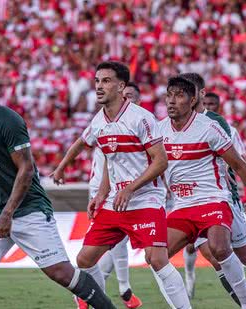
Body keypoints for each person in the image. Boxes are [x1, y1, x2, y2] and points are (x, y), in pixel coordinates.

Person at [0, 64, 115, 309]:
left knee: (61, 273)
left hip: (29, 209)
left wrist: (8, 213)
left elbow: (26, 169)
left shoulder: (7, 119)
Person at [68, 62, 191, 309]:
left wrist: (130, 188)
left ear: (121, 86)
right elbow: (109, 163)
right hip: (115, 202)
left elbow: (161, 162)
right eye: (97, 81)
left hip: (145, 199)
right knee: (84, 259)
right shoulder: (99, 121)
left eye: (106, 81)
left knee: (156, 259)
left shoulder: (141, 118)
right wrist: (102, 194)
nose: (99, 86)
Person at [159, 76, 246, 309]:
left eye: (179, 95)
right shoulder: (160, 128)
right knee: (210, 256)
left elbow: (238, 165)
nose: (172, 101)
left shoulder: (216, 125)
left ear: (196, 97)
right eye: (169, 95)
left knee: (243, 255)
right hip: (183, 204)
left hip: (222, 199)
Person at [51, 82, 143, 308]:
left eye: (132, 96)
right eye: (125, 95)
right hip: (105, 189)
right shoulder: (103, 120)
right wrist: (63, 166)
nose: (128, 99)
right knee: (105, 244)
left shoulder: (141, 122)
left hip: (131, 189)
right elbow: (82, 143)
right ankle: (120, 290)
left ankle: (98, 293)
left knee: (111, 245)